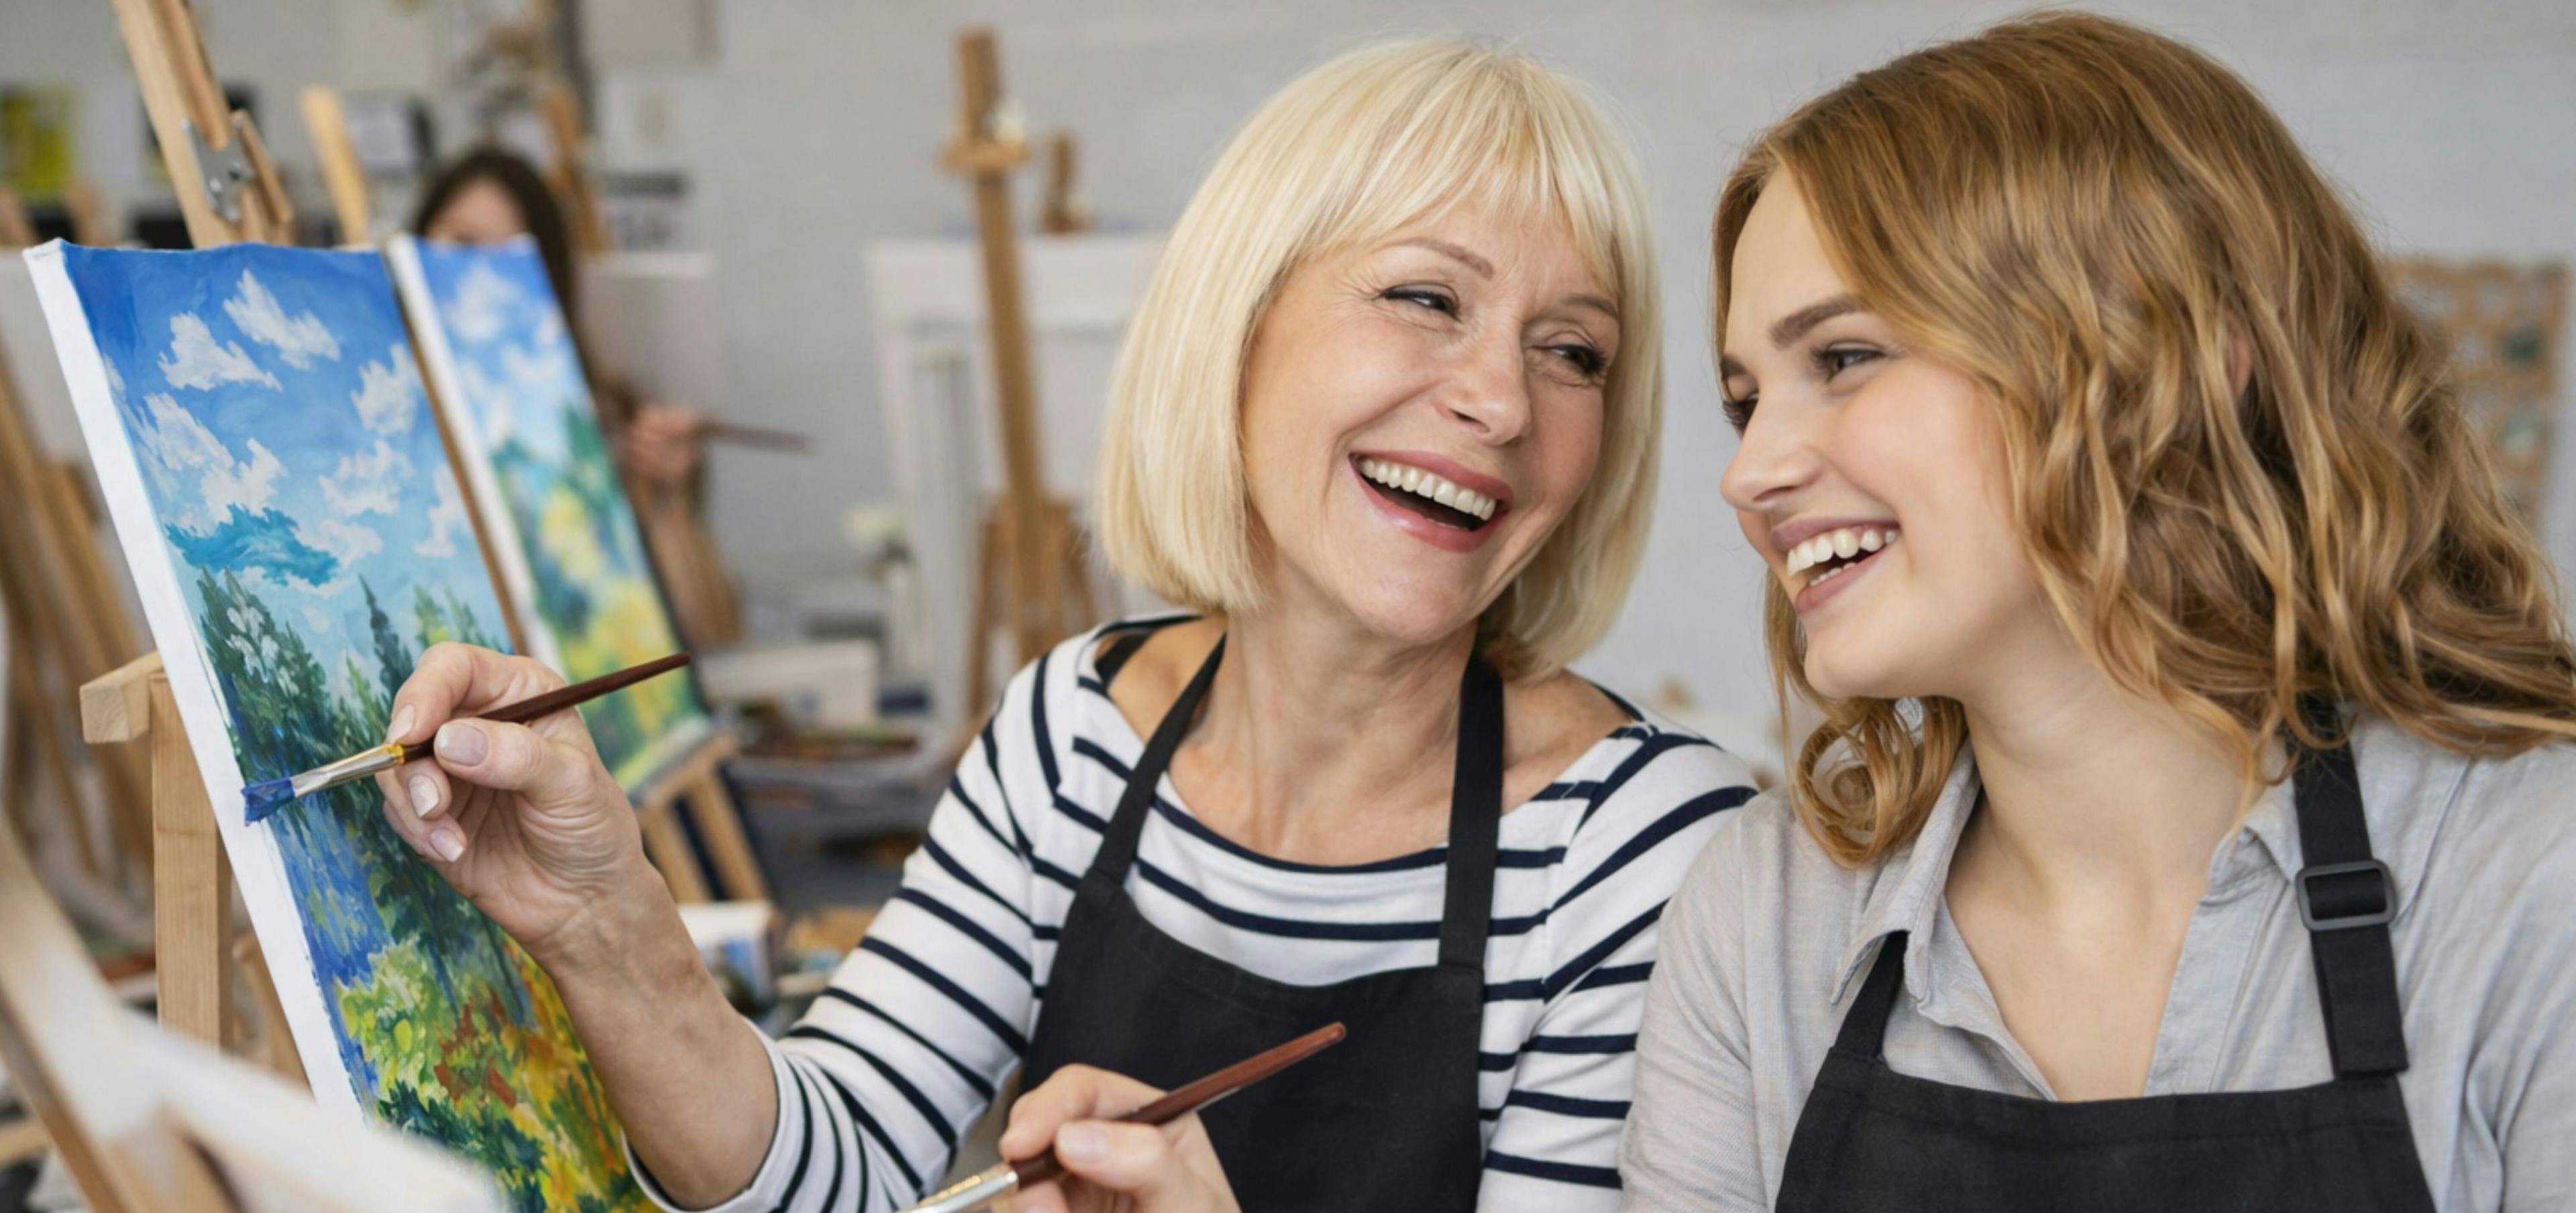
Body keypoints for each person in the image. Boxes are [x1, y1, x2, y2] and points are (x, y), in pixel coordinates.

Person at [380, 40, 1756, 1213]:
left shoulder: (1633, 852)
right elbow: (833, 1171)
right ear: (1239, 325)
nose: (1505, 402)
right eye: (1425, 296)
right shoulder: (1070, 733)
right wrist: (605, 919)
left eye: (1574, 350)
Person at [1619, 13, 2576, 1212]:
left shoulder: (2532, 877)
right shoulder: (1767, 914)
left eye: (1848, 357)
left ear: (2163, 365)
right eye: (1745, 399)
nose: (1749, 471)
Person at [410, 148, 705, 505]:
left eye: (507, 260)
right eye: (463, 243)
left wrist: (671, 494)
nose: (479, 275)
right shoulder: (384, 399)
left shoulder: (604, 421)